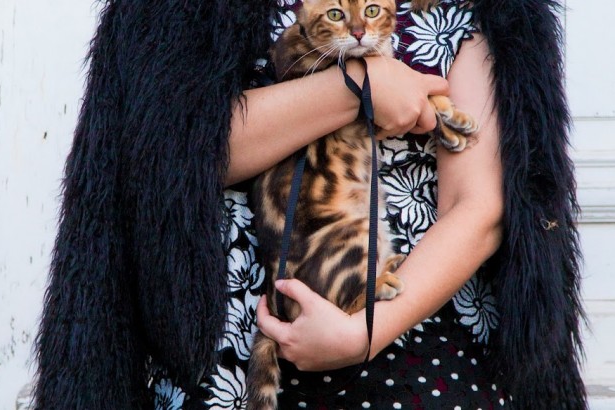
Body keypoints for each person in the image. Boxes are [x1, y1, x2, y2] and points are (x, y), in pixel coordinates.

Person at [33, 0, 586, 409]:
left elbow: (480, 207)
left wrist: (363, 332)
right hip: (232, 349)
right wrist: (356, 86)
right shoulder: (191, 11)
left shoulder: (467, 11)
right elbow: (177, 152)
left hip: (413, 335)